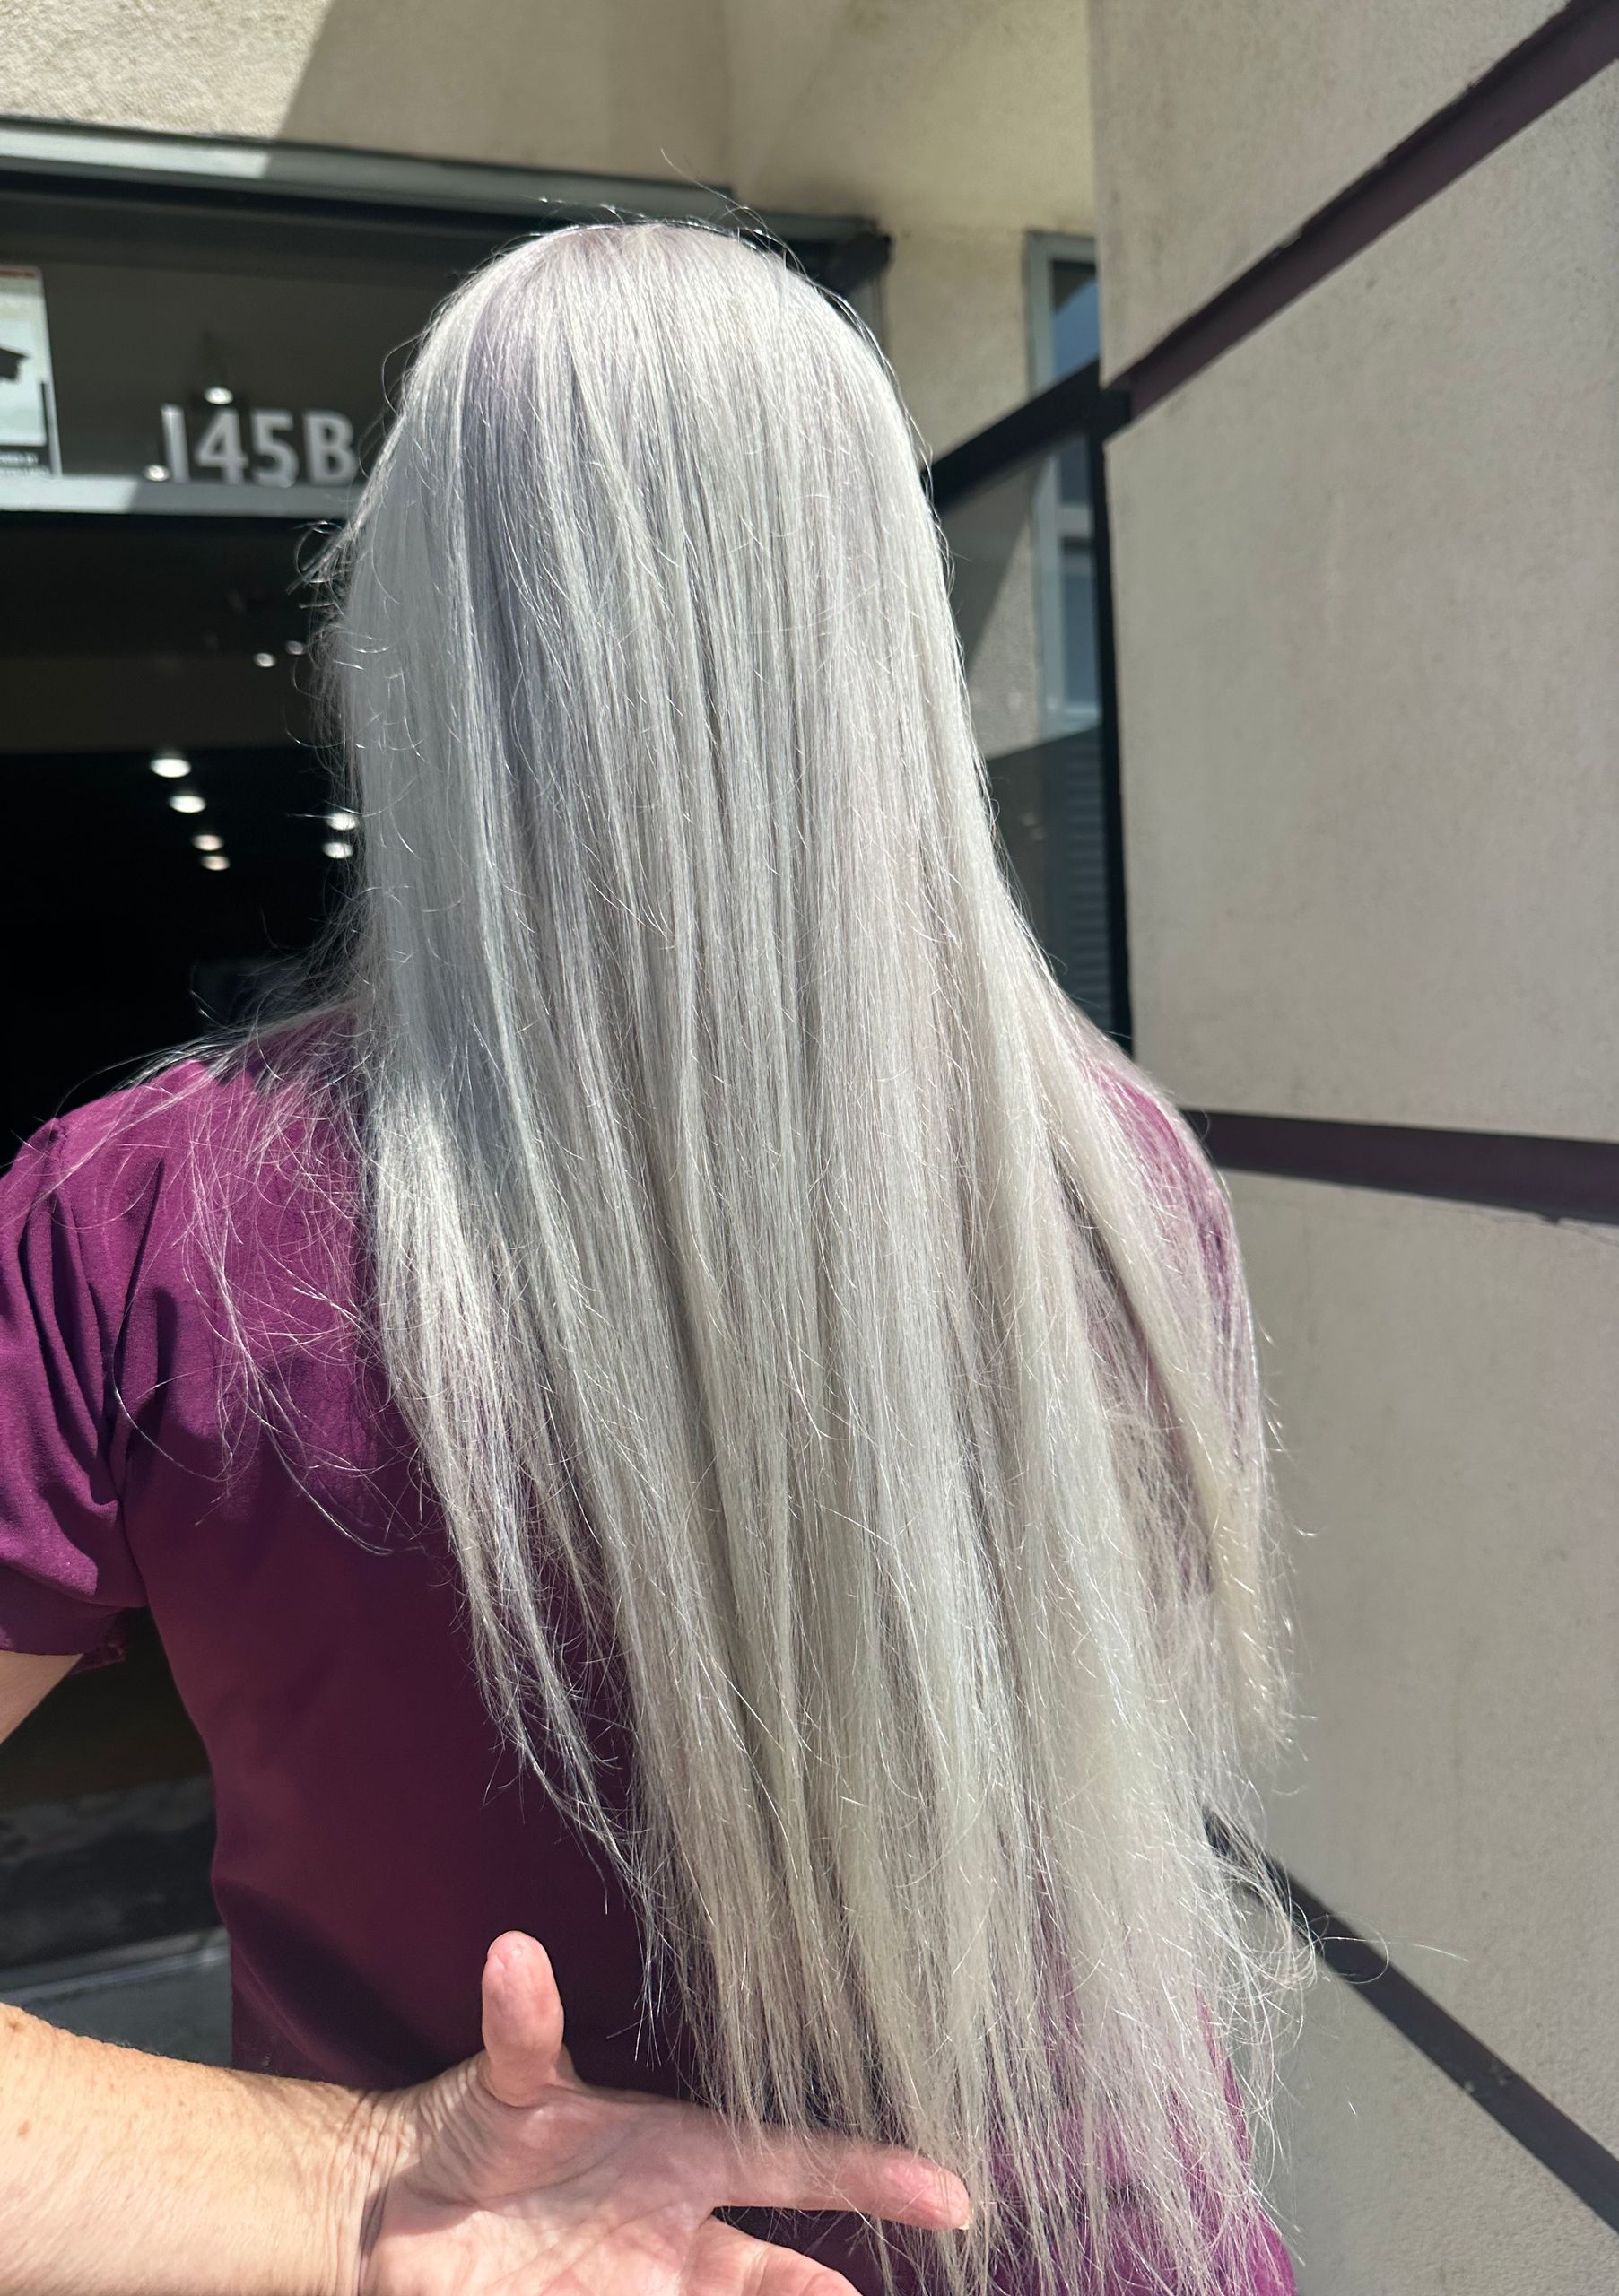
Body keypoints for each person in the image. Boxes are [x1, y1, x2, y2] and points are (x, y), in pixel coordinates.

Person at [0, 221, 1300, 2296]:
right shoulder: (1120, 1179)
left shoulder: (149, 1230)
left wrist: (349, 2175)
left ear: (407, 642)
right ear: (880, 616)